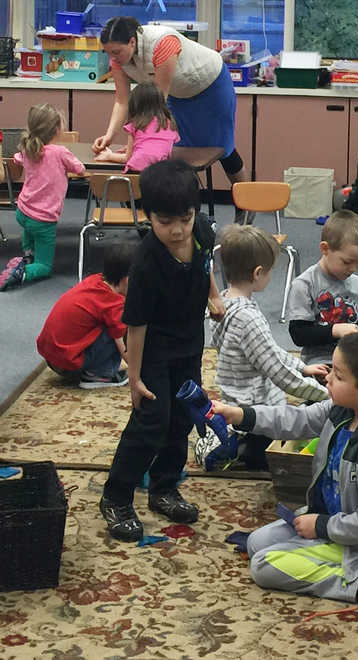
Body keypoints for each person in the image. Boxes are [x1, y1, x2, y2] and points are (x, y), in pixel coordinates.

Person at [209, 331, 358, 617]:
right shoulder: (339, 409)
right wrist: (240, 415)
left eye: (338, 376)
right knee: (254, 543)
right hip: (326, 520)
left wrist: (321, 527)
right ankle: (319, 554)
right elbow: (295, 420)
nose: (327, 378)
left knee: (263, 567)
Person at [99, 159, 224, 542]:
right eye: (165, 221)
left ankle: (164, 488)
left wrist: (214, 295)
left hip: (189, 343)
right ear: (149, 215)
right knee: (151, 422)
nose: (177, 229)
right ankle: (116, 497)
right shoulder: (147, 262)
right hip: (152, 349)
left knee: (182, 417)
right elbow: (136, 325)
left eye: (184, 218)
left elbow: (205, 265)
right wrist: (134, 378)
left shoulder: (201, 231)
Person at [91, 17, 251, 221]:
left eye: (116, 52)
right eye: (108, 53)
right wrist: (109, 136)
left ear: (132, 42)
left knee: (223, 147)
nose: (113, 58)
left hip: (210, 86)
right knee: (173, 150)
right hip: (178, 93)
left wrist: (138, 144)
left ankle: (246, 205)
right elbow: (122, 101)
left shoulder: (163, 43)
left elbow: (156, 103)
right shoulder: (118, 59)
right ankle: (179, 210)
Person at [212, 224, 330, 469]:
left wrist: (302, 367)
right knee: (313, 415)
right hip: (255, 412)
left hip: (238, 400)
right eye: (270, 271)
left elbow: (269, 351)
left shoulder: (225, 301)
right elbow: (280, 374)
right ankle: (245, 450)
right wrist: (329, 397)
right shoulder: (248, 318)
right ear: (257, 273)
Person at [0, 103, 84, 291]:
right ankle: (23, 272)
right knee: (45, 267)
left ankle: (27, 255)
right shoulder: (60, 153)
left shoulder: (27, 149)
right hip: (43, 219)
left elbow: (17, 158)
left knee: (29, 230)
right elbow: (80, 169)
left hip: (22, 212)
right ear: (56, 130)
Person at [36, 242, 135, 388]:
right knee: (118, 327)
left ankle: (91, 367)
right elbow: (125, 347)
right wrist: (140, 371)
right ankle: (100, 375)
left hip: (51, 358)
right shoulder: (114, 304)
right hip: (68, 365)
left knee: (110, 321)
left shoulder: (96, 280)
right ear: (127, 280)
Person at [287, 210, 358, 367]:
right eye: (347, 262)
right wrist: (335, 330)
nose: (353, 268)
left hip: (354, 358)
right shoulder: (304, 284)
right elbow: (299, 334)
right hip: (321, 360)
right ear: (325, 249)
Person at [94, 82, 179, 173]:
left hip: (137, 172)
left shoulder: (136, 124)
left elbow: (127, 158)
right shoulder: (170, 124)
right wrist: (136, 146)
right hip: (161, 173)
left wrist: (109, 156)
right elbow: (161, 147)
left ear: (135, 104)